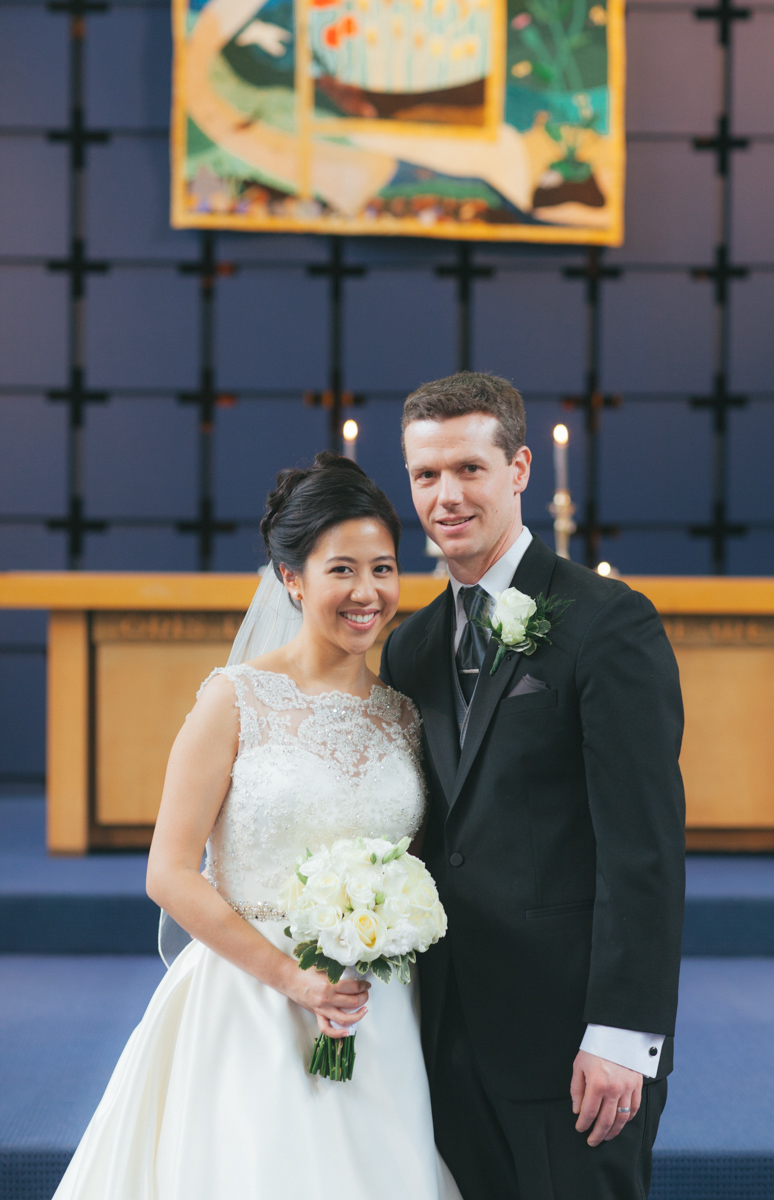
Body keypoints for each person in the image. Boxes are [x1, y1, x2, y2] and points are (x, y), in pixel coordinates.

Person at [53, 452, 461, 1200]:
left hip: (373, 1009)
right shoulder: (235, 700)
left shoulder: (405, 716)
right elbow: (168, 872)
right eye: (342, 569)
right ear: (291, 578)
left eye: (384, 568)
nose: (367, 592)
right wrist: (290, 979)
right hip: (249, 1004)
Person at [380, 372, 686, 1200]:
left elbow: (644, 847)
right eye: (425, 475)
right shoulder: (407, 652)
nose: (446, 496)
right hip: (447, 1037)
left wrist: (623, 1033)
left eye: (469, 469)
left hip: (574, 1043)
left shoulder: (607, 622)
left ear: (518, 469)